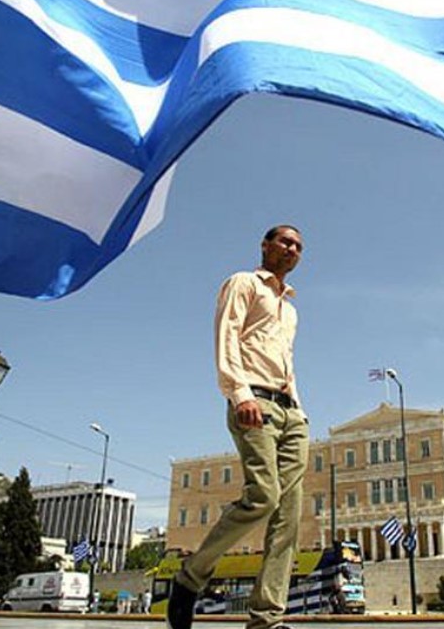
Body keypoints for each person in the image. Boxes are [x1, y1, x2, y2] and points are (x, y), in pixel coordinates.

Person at [168, 226, 309, 629]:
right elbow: (227, 336)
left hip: (292, 412)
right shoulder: (243, 283)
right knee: (263, 496)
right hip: (254, 402)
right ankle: (191, 576)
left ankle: (266, 619)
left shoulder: (291, 309)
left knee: (288, 516)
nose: (292, 248)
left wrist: (299, 409)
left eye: (298, 246)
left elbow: (285, 361)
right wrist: (239, 393)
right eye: (285, 241)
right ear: (265, 245)